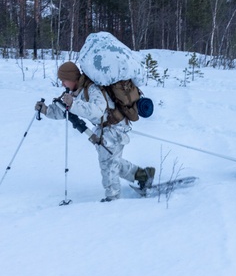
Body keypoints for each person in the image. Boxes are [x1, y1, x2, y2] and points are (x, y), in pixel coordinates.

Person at [36, 61, 154, 202]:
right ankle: (143, 175)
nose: (62, 84)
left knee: (108, 165)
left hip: (114, 128)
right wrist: (46, 110)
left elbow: (97, 110)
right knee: (111, 161)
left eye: (64, 80)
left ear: (72, 78)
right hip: (104, 129)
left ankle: (113, 199)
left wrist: (73, 104)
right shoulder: (75, 92)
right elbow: (64, 111)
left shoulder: (92, 89)